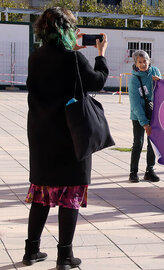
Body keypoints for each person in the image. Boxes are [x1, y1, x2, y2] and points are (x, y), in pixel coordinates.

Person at [24, 7, 108, 270]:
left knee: (41, 193)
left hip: (41, 135)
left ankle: (31, 251)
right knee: (70, 194)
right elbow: (97, 82)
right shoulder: (73, 59)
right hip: (71, 135)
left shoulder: (35, 57)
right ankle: (65, 256)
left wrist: (74, 54)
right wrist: (100, 55)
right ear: (66, 29)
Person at [128, 50, 162, 183]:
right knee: (138, 142)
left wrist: (160, 81)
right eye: (140, 62)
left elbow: (161, 91)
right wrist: (145, 123)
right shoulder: (134, 80)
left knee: (152, 143)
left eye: (145, 61)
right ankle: (133, 171)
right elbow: (135, 104)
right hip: (138, 115)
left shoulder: (155, 72)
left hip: (152, 112)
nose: (143, 64)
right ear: (136, 64)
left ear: (149, 61)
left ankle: (150, 170)